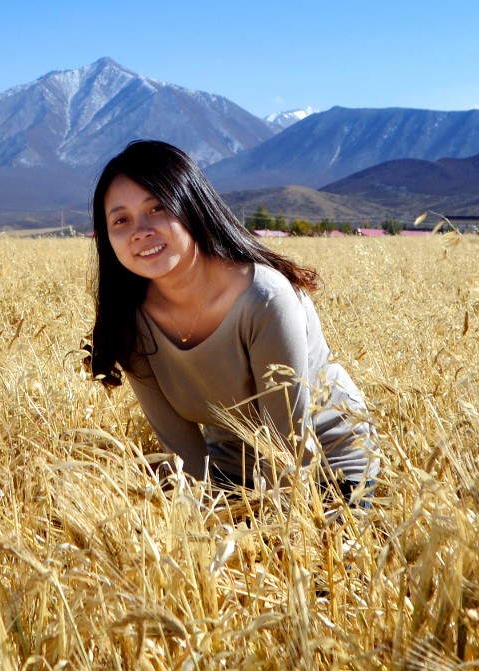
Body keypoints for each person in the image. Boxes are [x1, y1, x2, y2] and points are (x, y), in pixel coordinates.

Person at [86, 139, 380, 502]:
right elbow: (184, 458)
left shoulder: (263, 299)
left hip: (325, 463)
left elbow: (287, 451)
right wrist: (201, 530)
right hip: (231, 465)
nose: (140, 230)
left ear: (192, 207)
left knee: (313, 556)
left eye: (158, 208)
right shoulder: (129, 323)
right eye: (121, 220)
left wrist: (279, 545)